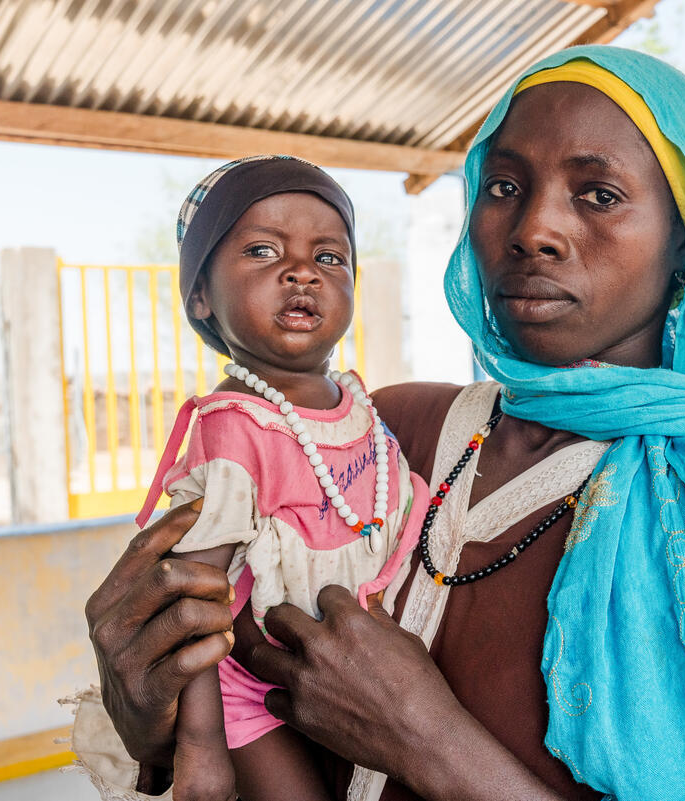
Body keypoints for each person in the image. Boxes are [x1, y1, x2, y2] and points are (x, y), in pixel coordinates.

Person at [77, 45, 685, 800]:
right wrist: (144, 700)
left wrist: (427, 738)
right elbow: (221, 679)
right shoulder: (382, 431)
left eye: (598, 195)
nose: (534, 229)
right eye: (503, 187)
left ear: (684, 246)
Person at [130, 155, 426, 801]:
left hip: (354, 669)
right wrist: (201, 746)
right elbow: (194, 603)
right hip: (251, 689)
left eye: (330, 257)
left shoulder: (358, 407)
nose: (301, 272)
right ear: (201, 295)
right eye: (263, 250)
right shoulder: (232, 426)